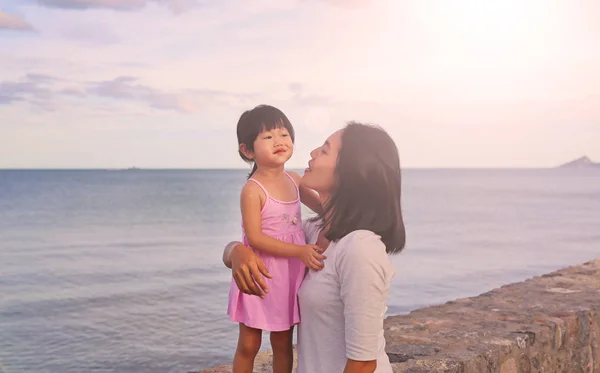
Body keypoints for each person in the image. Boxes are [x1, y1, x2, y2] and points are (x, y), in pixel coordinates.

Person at [223, 122, 406, 373]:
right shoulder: (314, 232)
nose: (312, 153)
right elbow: (269, 242)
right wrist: (236, 252)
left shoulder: (360, 248)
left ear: (350, 170)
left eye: (325, 150)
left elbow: (363, 363)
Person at [228, 104, 326, 373]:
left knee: (283, 343)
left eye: (284, 134)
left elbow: (323, 207)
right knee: (249, 344)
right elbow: (255, 238)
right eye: (268, 137)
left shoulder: (294, 180)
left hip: (289, 275)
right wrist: (300, 251)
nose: (279, 141)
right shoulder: (252, 189)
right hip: (260, 273)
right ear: (247, 150)